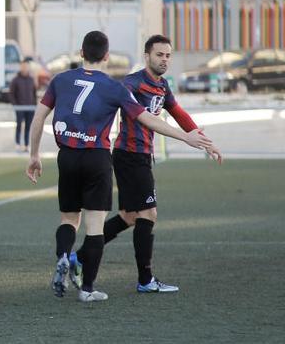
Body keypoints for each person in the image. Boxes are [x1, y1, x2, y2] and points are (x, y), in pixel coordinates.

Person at [25, 30, 218, 302]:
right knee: (98, 225)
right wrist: (185, 137)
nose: (165, 59)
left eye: (167, 55)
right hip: (101, 158)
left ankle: (64, 257)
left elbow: (38, 119)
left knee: (72, 218)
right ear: (106, 56)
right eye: (160, 54)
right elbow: (147, 119)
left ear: (81, 53)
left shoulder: (61, 80)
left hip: (67, 156)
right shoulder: (117, 86)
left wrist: (33, 155)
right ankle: (90, 289)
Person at [9, 58, 37, 152]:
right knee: (19, 125)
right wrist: (15, 105)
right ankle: (17, 144)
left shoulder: (31, 79)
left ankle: (26, 145)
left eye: (26, 66)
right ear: (20, 67)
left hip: (30, 108)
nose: (24, 68)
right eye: (23, 66)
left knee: (28, 126)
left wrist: (34, 105)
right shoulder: (15, 80)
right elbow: (11, 94)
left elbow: (34, 93)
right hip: (19, 107)